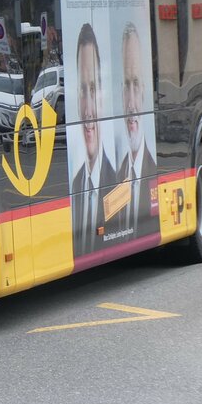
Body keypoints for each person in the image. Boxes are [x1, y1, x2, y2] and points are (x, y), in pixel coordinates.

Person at [71, 23, 116, 254]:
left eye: (93, 89)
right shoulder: (75, 184)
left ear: (102, 96)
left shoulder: (118, 180)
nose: (88, 109)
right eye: (81, 91)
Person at [115, 22, 156, 228]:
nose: (131, 104)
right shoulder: (115, 175)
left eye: (136, 84)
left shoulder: (154, 167)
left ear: (144, 90)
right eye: (126, 85)